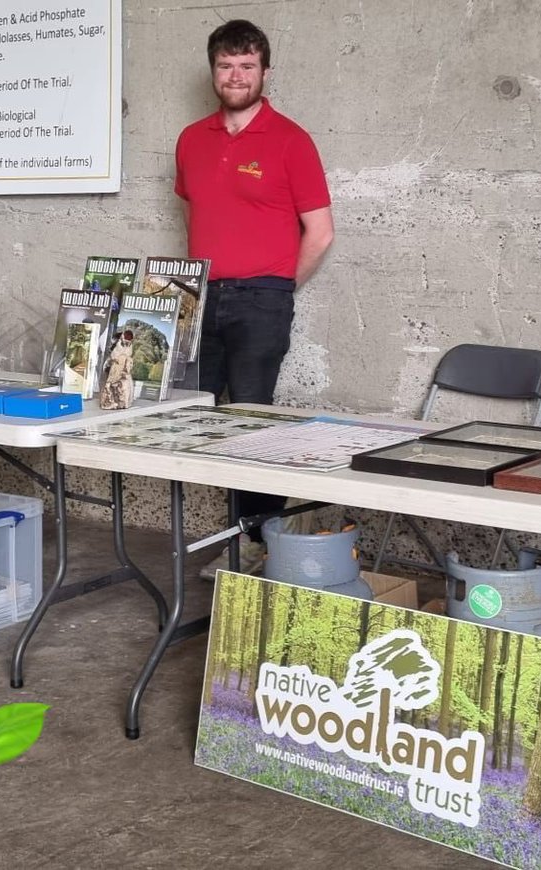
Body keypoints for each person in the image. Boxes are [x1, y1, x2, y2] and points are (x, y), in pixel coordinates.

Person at [175, 19, 333, 578]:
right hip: (200, 295)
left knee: (251, 427)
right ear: (213, 71)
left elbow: (320, 232)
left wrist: (278, 290)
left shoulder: (291, 139)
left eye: (247, 66)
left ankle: (258, 544)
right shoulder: (192, 140)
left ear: (264, 72)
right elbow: (201, 214)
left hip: (261, 298)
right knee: (196, 419)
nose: (236, 75)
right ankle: (234, 535)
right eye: (226, 65)